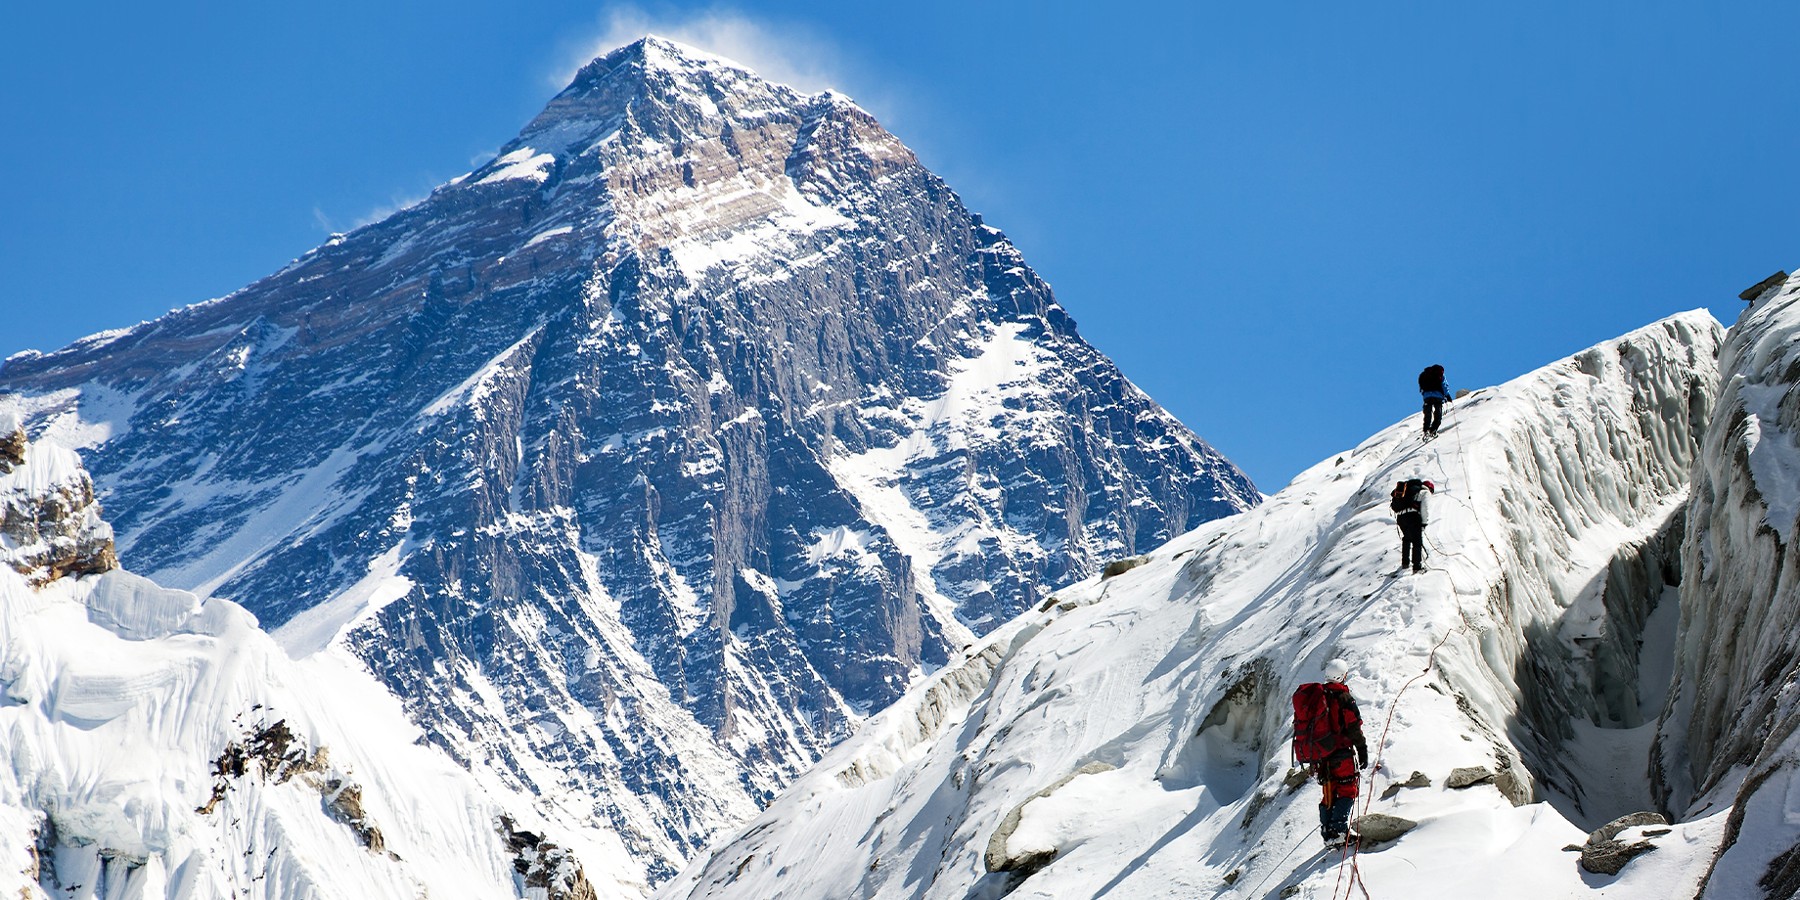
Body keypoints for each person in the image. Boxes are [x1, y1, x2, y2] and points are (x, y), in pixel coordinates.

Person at [1311, 659, 1369, 845]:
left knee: (1329, 791)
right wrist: (1362, 750)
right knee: (1347, 790)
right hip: (1342, 754)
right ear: (1342, 676)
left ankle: (1327, 832)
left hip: (1322, 756)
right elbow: (1354, 727)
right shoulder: (1343, 698)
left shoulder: (1318, 697)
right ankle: (1338, 832)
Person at [1391, 477, 1435, 573]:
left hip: (1401, 517)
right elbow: (1425, 508)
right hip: (1413, 516)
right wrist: (1424, 523)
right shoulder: (1425, 492)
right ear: (1430, 489)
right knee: (1417, 542)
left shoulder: (1410, 491)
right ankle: (1417, 567)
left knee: (1407, 538)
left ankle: (1405, 563)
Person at [1418, 365, 1450, 438]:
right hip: (1438, 396)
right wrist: (1447, 395)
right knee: (1438, 413)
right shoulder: (1440, 374)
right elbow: (1444, 385)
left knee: (1427, 413)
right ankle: (1433, 430)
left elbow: (1421, 385)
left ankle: (1426, 430)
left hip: (1427, 396)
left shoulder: (1425, 374)